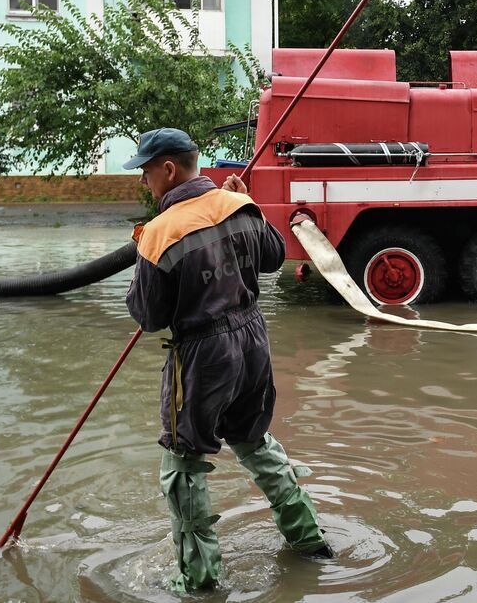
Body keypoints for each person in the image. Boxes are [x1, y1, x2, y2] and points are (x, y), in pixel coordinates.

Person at [124, 127, 331, 591]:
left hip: (202, 355)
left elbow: (149, 316)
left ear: (169, 170)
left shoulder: (158, 234)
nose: (143, 181)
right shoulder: (238, 206)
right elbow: (274, 258)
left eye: (145, 171)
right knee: (253, 438)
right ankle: (310, 541)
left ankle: (199, 583)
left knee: (183, 461)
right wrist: (247, 204)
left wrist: (140, 269)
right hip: (254, 340)